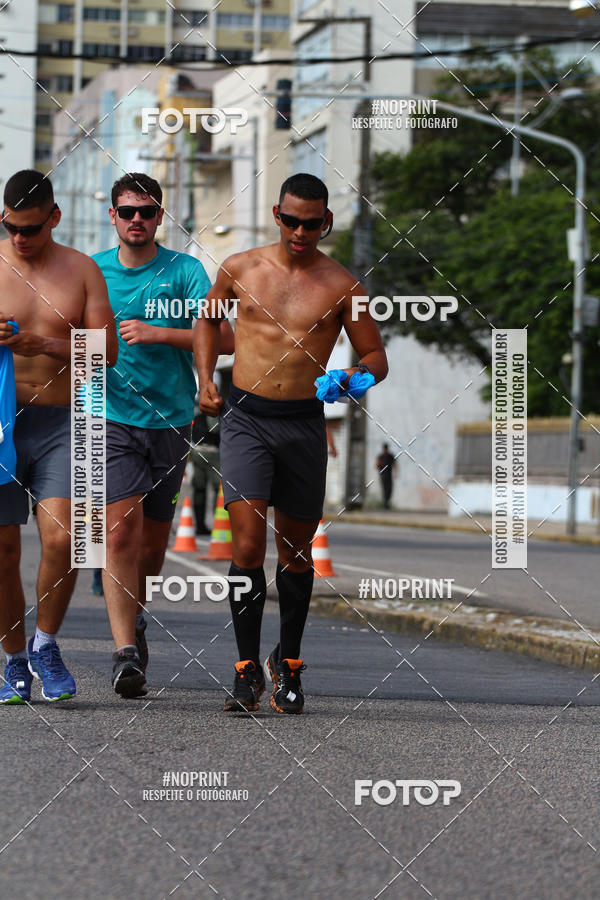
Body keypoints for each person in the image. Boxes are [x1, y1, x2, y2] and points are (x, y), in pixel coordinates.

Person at [195, 172, 388, 715]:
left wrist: (352, 379)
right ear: (277, 216)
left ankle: (289, 662)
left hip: (303, 422)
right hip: (245, 418)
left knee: (296, 553)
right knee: (246, 546)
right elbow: (207, 321)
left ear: (326, 222)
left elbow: (377, 358)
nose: (301, 232)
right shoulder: (240, 268)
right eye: (292, 221)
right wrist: (205, 378)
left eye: (312, 223)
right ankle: (245, 668)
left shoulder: (345, 286)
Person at [94, 172, 233, 698]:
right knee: (119, 534)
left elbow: (227, 337)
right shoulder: (93, 272)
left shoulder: (186, 271)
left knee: (153, 545)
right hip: (110, 417)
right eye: (128, 211)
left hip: (171, 421)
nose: (137, 219)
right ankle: (124, 653)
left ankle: (137, 616)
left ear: (159, 216)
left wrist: (159, 333)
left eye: (147, 211)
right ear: (113, 216)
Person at [0, 169, 117, 704]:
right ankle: (14, 659)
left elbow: (107, 352)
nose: (19, 238)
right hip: (3, 422)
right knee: (3, 550)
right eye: (10, 228)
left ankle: (45, 644)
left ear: (54, 218)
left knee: (66, 538)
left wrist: (45, 345)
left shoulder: (81, 270)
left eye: (30, 228)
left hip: (66, 419)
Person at [190, 411, 221, 535]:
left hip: (197, 451)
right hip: (212, 452)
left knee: (199, 488)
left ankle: (200, 526)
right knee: (218, 489)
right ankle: (219, 524)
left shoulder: (196, 415)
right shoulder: (215, 414)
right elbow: (215, 429)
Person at [376, 443, 396, 509]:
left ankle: (387, 503)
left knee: (389, 489)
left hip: (389, 475)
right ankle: (385, 504)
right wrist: (379, 464)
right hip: (383, 475)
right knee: (384, 490)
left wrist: (396, 473)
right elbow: (377, 465)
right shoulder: (380, 456)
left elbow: (394, 464)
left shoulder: (390, 456)